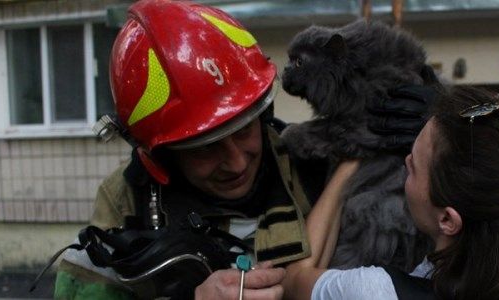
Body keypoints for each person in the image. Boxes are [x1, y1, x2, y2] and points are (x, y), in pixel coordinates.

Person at [50, 1, 429, 299]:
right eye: (205, 148)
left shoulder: (315, 159)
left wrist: (441, 123)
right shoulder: (124, 202)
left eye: (245, 130)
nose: (235, 161)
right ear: (162, 155)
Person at [282, 85, 499, 300]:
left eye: (413, 166)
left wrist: (352, 160)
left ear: (448, 220)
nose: (404, 161)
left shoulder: (376, 292)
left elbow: (295, 279)